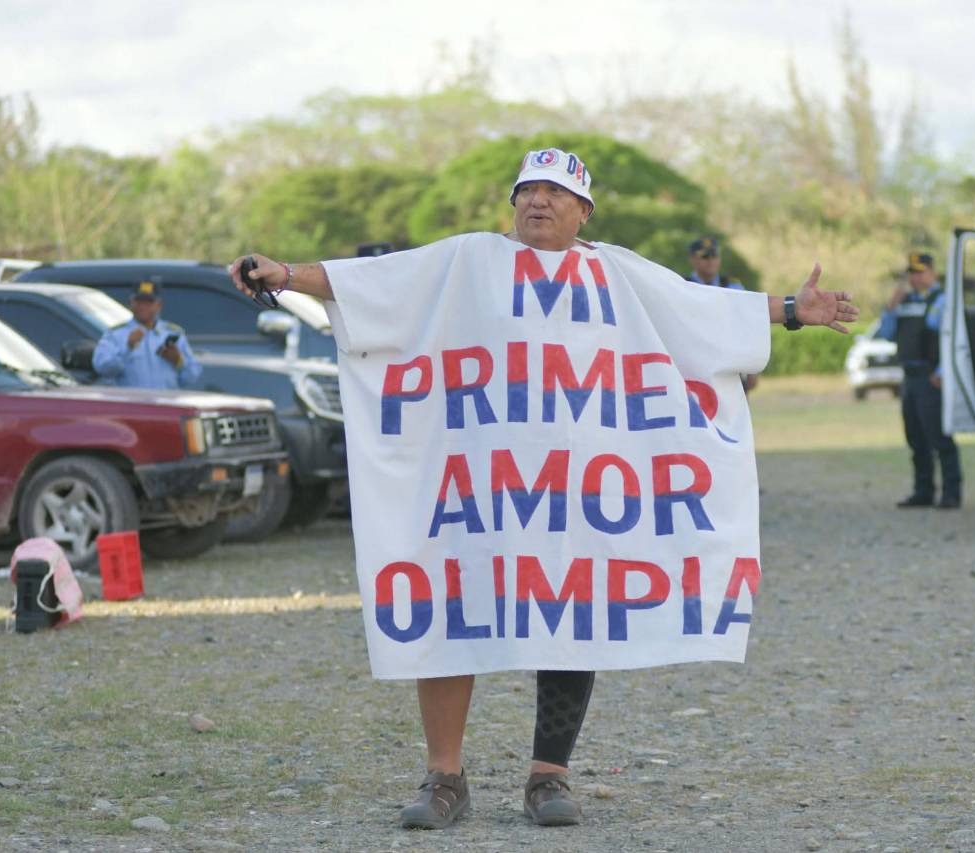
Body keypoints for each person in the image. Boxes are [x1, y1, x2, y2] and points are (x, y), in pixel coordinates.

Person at [229, 148, 858, 830]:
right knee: (451, 603)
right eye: (527, 190)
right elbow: (377, 284)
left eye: (556, 193)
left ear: (584, 210)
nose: (539, 201)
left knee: (572, 608)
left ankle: (548, 776)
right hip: (475, 488)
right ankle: (445, 777)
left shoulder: (615, 270)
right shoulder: (467, 260)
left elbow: (698, 308)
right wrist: (286, 274)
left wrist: (793, 308)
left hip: (578, 492)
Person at [878, 252, 962, 509]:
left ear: (932, 273)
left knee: (939, 437)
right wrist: (890, 307)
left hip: (930, 377)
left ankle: (951, 493)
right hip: (910, 378)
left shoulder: (943, 300)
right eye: (911, 273)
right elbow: (885, 334)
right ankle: (923, 491)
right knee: (915, 438)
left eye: (920, 272)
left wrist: (942, 373)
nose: (915, 277)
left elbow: (952, 340)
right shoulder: (903, 302)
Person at [92, 281, 201, 390]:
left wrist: (178, 361)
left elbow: (192, 378)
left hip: (165, 402)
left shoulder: (172, 333)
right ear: (130, 303)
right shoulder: (116, 334)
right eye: (138, 302)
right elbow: (102, 369)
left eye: (149, 303)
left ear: (159, 305)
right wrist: (127, 348)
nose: (143, 307)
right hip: (132, 403)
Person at [685, 236, 758, 390]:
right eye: (705, 256)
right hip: (694, 365)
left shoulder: (733, 286)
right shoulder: (683, 287)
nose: (711, 261)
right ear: (693, 259)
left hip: (730, 365)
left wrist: (752, 368)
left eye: (714, 255)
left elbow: (747, 325)